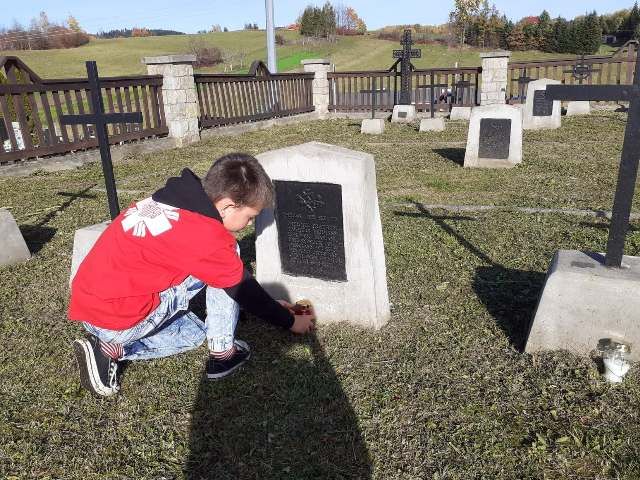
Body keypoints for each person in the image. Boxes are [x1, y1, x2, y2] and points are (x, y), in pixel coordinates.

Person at [69, 153, 316, 397]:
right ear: (228, 206)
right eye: (250, 217)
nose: (250, 224)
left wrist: (265, 303)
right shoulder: (205, 236)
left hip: (90, 305)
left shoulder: (170, 199)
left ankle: (109, 347)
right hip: (116, 320)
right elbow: (241, 287)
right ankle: (223, 353)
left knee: (194, 330)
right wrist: (290, 322)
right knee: (227, 262)